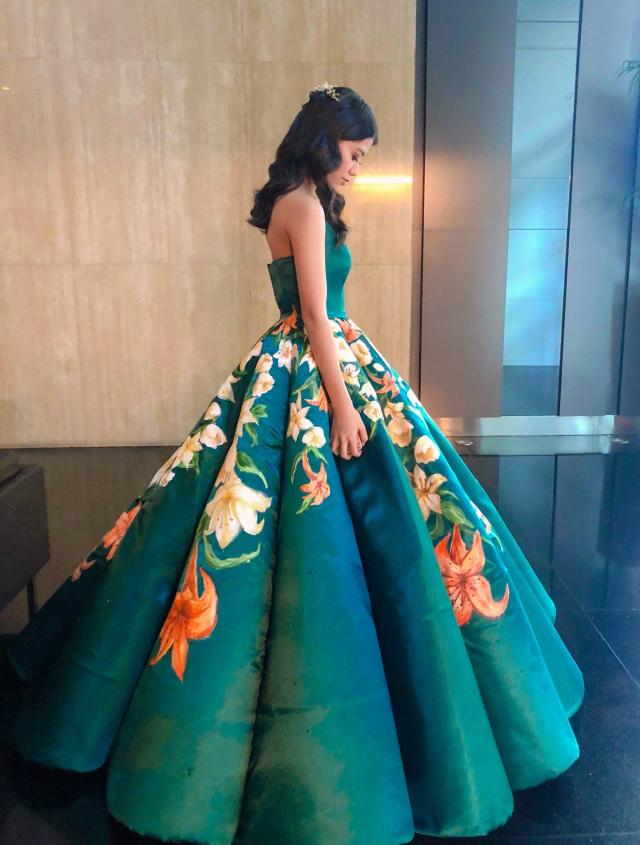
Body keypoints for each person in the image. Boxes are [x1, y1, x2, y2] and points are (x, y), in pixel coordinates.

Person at [4, 82, 585, 844]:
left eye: (365, 158)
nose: (357, 169)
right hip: (320, 364)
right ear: (324, 139)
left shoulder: (298, 196)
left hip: (317, 356)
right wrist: (343, 406)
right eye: (354, 154)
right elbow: (313, 313)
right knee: (360, 520)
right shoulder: (304, 206)